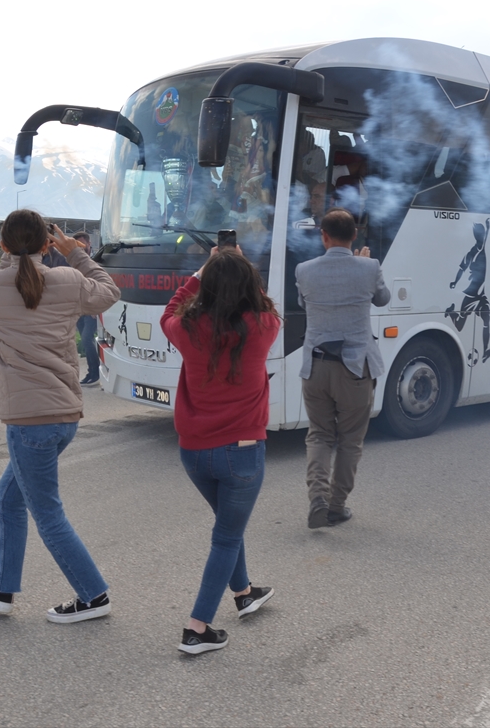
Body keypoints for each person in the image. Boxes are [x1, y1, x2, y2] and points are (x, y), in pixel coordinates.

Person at [0, 211, 121, 623]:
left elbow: (7, 277)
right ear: (49, 244)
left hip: (28, 420)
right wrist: (75, 253)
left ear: (3, 245)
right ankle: (1, 589)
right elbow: (109, 291)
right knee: (7, 499)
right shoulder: (67, 281)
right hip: (63, 414)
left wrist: (17, 256)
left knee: (47, 514)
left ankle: (94, 595)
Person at [161, 246, 280, 655]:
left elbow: (169, 310)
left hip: (194, 453)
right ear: (250, 286)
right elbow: (263, 300)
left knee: (229, 526)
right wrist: (240, 268)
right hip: (243, 451)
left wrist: (201, 270)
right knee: (226, 536)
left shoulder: (187, 328)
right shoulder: (265, 325)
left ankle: (244, 593)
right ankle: (197, 629)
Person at [295, 208, 391, 529]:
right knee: (350, 440)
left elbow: (304, 304)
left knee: (320, 435)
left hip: (316, 368)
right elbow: (383, 299)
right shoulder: (369, 267)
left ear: (323, 236)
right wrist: (365, 264)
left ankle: (317, 499)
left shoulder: (304, 270)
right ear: (354, 236)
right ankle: (336, 506)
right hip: (355, 369)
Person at [73, 232, 101, 386]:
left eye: (83, 244)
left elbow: (99, 286)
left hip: (91, 310)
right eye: (77, 245)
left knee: (86, 338)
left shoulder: (95, 261)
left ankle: (96, 373)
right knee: (85, 341)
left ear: (89, 244)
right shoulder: (74, 262)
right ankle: (91, 372)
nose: (81, 247)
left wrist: (95, 308)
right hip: (79, 309)